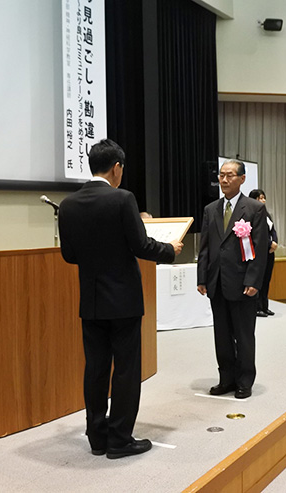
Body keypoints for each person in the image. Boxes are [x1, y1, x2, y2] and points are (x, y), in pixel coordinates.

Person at [58, 139, 183, 459]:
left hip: (92, 301)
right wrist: (170, 251)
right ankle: (120, 439)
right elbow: (142, 245)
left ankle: (97, 437)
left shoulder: (69, 204)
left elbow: (69, 255)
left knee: (95, 368)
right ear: (116, 168)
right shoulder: (122, 199)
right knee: (126, 370)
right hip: (124, 300)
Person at [197, 159, 267, 399]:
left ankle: (245, 380)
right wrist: (202, 277)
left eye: (230, 175)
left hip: (242, 282)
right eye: (221, 175)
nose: (224, 180)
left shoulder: (254, 209)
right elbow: (204, 247)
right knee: (222, 335)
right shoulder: (210, 209)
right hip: (217, 281)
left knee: (244, 334)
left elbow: (259, 249)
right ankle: (226, 378)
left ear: (242, 179)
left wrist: (253, 281)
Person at [248, 189, 277, 317]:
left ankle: (265, 306)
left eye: (264, 198)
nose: (263, 200)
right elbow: (256, 235)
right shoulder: (251, 215)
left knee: (266, 279)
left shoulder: (267, 214)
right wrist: (269, 244)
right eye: (259, 198)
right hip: (259, 252)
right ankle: (257, 307)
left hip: (270, 252)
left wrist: (275, 242)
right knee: (258, 280)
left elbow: (272, 231)